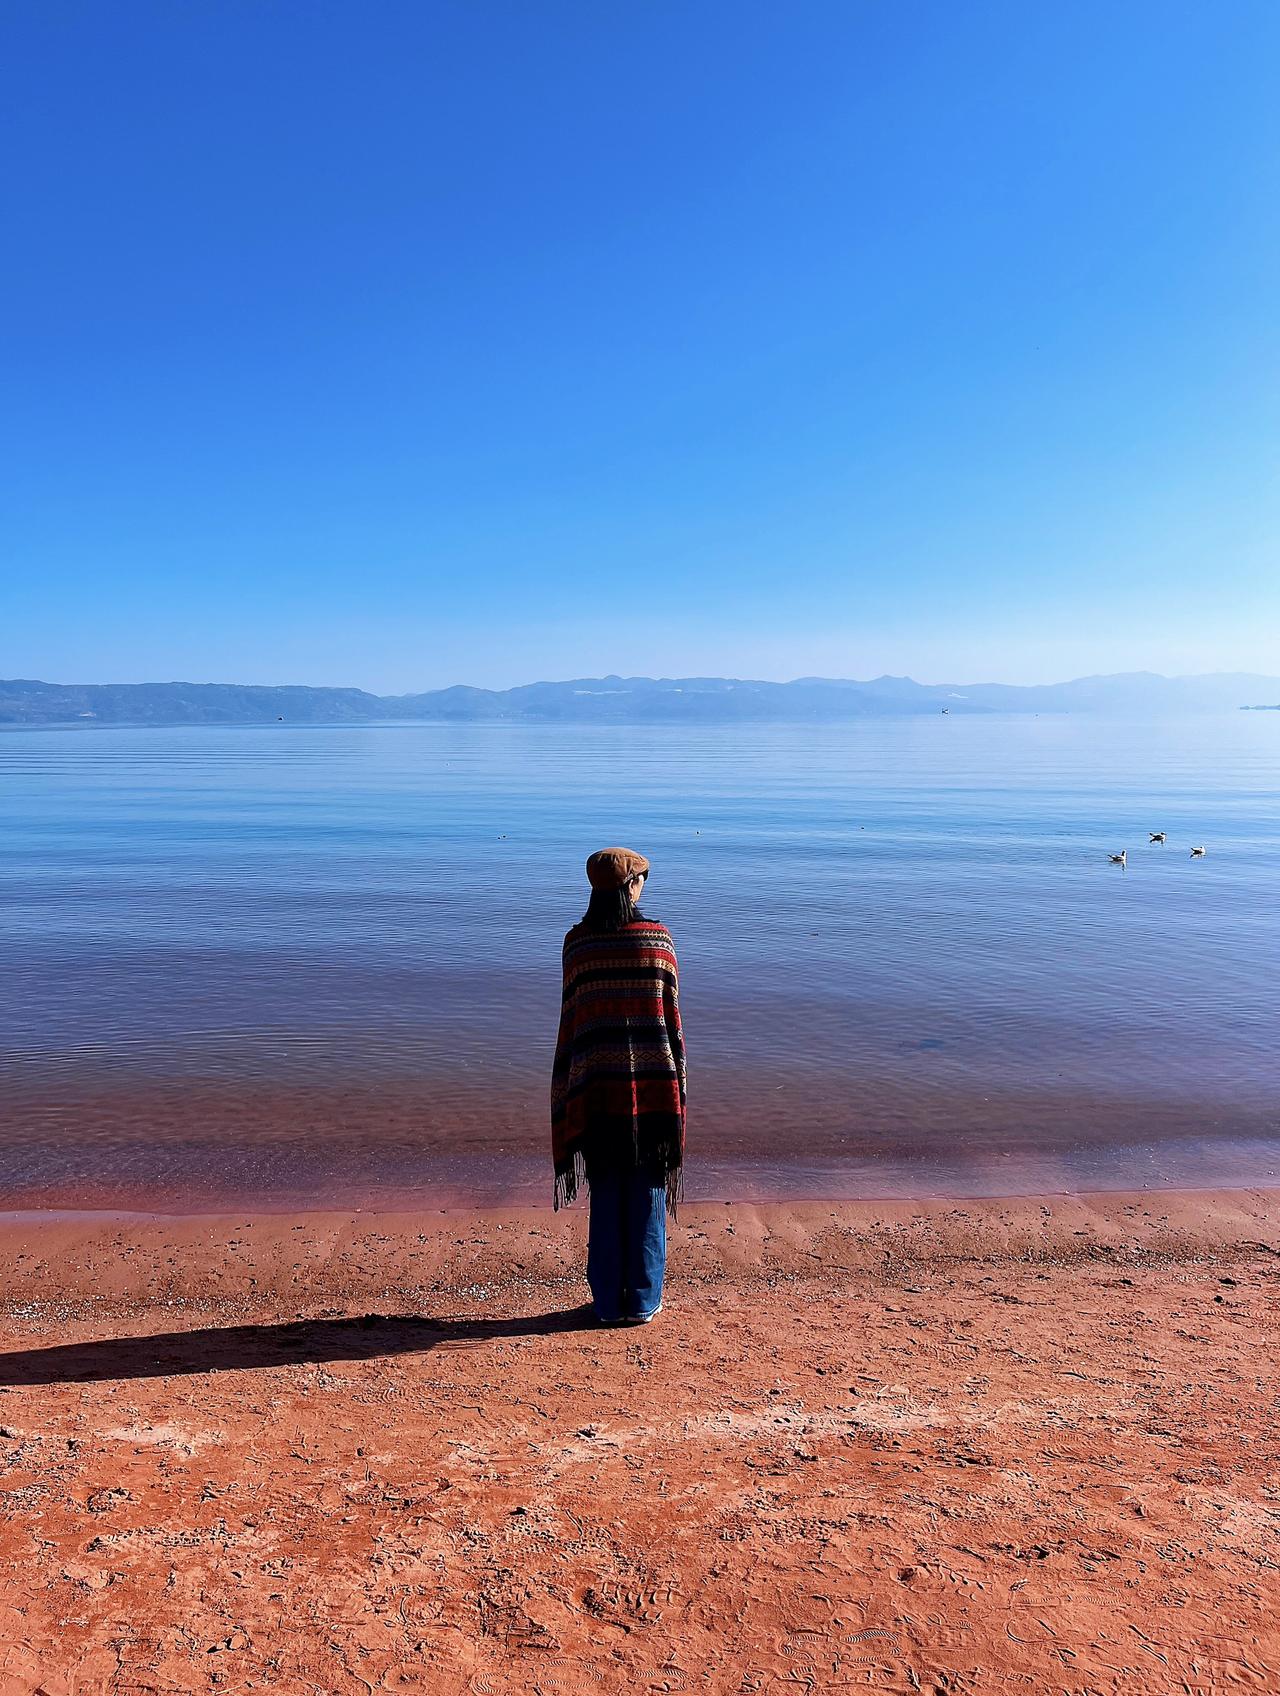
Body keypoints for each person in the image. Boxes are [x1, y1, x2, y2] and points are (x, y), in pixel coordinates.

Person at [550, 846, 687, 1326]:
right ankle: (644, 1300)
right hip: (652, 1081)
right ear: (631, 887)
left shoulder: (577, 944)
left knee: (606, 1188)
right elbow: (671, 1019)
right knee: (648, 1187)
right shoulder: (659, 942)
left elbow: (574, 1018)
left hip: (596, 1087)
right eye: (643, 878)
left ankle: (607, 1301)